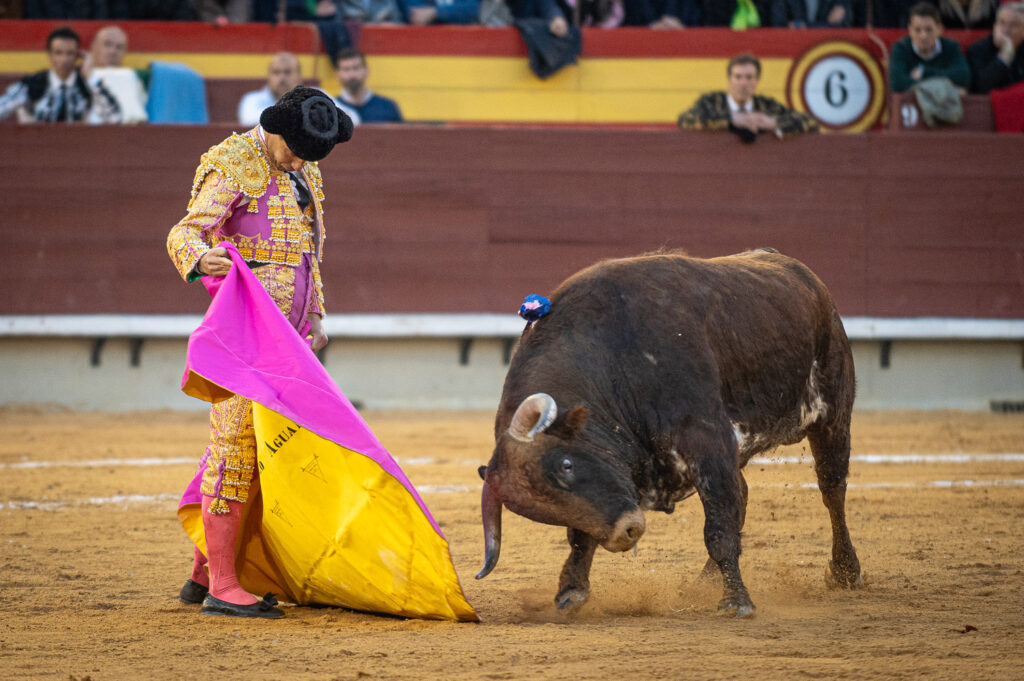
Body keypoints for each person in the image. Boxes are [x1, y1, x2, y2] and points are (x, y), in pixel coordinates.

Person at [167, 86, 354, 619]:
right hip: (245, 333)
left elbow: (305, 251)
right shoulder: (234, 163)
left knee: (266, 451)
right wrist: (201, 259)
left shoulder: (303, 168)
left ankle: (204, 572)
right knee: (236, 449)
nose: (298, 163)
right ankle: (223, 586)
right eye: (293, 151)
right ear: (274, 129)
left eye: (308, 156)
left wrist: (315, 313)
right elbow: (185, 232)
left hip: (289, 340)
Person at [677, 53, 818, 143]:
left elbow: (810, 122)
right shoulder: (711, 102)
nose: (743, 83)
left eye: (749, 77)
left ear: (757, 81)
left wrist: (774, 123)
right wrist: (731, 120)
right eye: (738, 77)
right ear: (729, 80)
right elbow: (685, 119)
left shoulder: (766, 105)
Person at [0, 26, 120, 124]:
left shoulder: (88, 84)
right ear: (49, 55)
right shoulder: (33, 83)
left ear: (78, 55)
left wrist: (89, 76)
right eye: (58, 53)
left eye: (70, 53)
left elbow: (114, 117)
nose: (64, 59)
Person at [889, 2, 971, 93]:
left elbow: (964, 77)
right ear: (910, 30)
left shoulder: (951, 47)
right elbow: (898, 84)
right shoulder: (901, 48)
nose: (923, 36)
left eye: (929, 30)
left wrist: (924, 72)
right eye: (917, 30)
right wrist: (946, 87)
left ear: (939, 29)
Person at [82, 25, 148, 124]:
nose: (113, 51)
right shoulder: (78, 77)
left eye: (119, 47)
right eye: (107, 44)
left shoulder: (131, 77)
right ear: (93, 47)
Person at [334, 48, 404, 123]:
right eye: (346, 69)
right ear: (337, 74)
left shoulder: (388, 107)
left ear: (367, 71)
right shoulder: (333, 109)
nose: (352, 75)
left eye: (356, 68)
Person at [967, 1, 1024, 93]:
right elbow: (980, 87)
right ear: (994, 25)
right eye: (1001, 23)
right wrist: (1005, 55)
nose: (1006, 30)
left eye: (1013, 25)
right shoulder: (978, 49)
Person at [237, 52, 304, 127]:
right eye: (276, 72)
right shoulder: (251, 99)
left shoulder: (313, 96)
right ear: (268, 77)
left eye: (287, 72)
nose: (282, 78)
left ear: (299, 77)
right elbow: (248, 120)